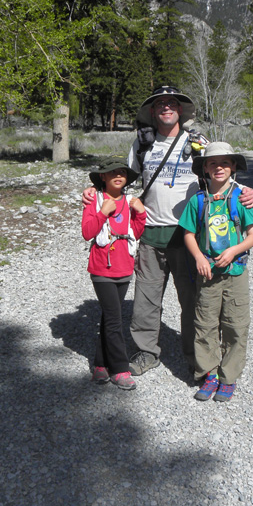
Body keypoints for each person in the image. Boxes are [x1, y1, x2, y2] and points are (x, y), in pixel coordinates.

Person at [83, 86, 253, 377]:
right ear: (153, 111)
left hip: (189, 235)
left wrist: (246, 192)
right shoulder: (142, 144)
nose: (166, 107)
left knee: (192, 301)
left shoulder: (198, 142)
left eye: (171, 103)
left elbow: (221, 173)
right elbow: (121, 179)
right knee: (145, 301)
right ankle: (146, 353)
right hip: (149, 233)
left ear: (180, 110)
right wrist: (94, 191)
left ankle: (194, 355)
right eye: (160, 103)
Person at [178, 142, 253, 402]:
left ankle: (229, 376)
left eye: (225, 162)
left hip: (236, 272)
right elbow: (188, 233)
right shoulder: (197, 201)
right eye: (213, 163)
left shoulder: (240, 198)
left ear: (233, 167)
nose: (219, 167)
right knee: (205, 324)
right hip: (208, 273)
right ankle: (209, 373)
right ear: (205, 169)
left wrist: (235, 251)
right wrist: (199, 257)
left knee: (235, 324)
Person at [81, 158, 146, 390]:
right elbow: (87, 233)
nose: (118, 176)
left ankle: (100, 364)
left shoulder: (130, 201)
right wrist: (102, 213)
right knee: (115, 319)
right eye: (112, 173)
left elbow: (136, 233)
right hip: (101, 269)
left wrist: (141, 214)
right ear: (103, 177)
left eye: (122, 172)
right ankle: (119, 368)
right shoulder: (95, 200)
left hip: (124, 268)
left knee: (110, 317)